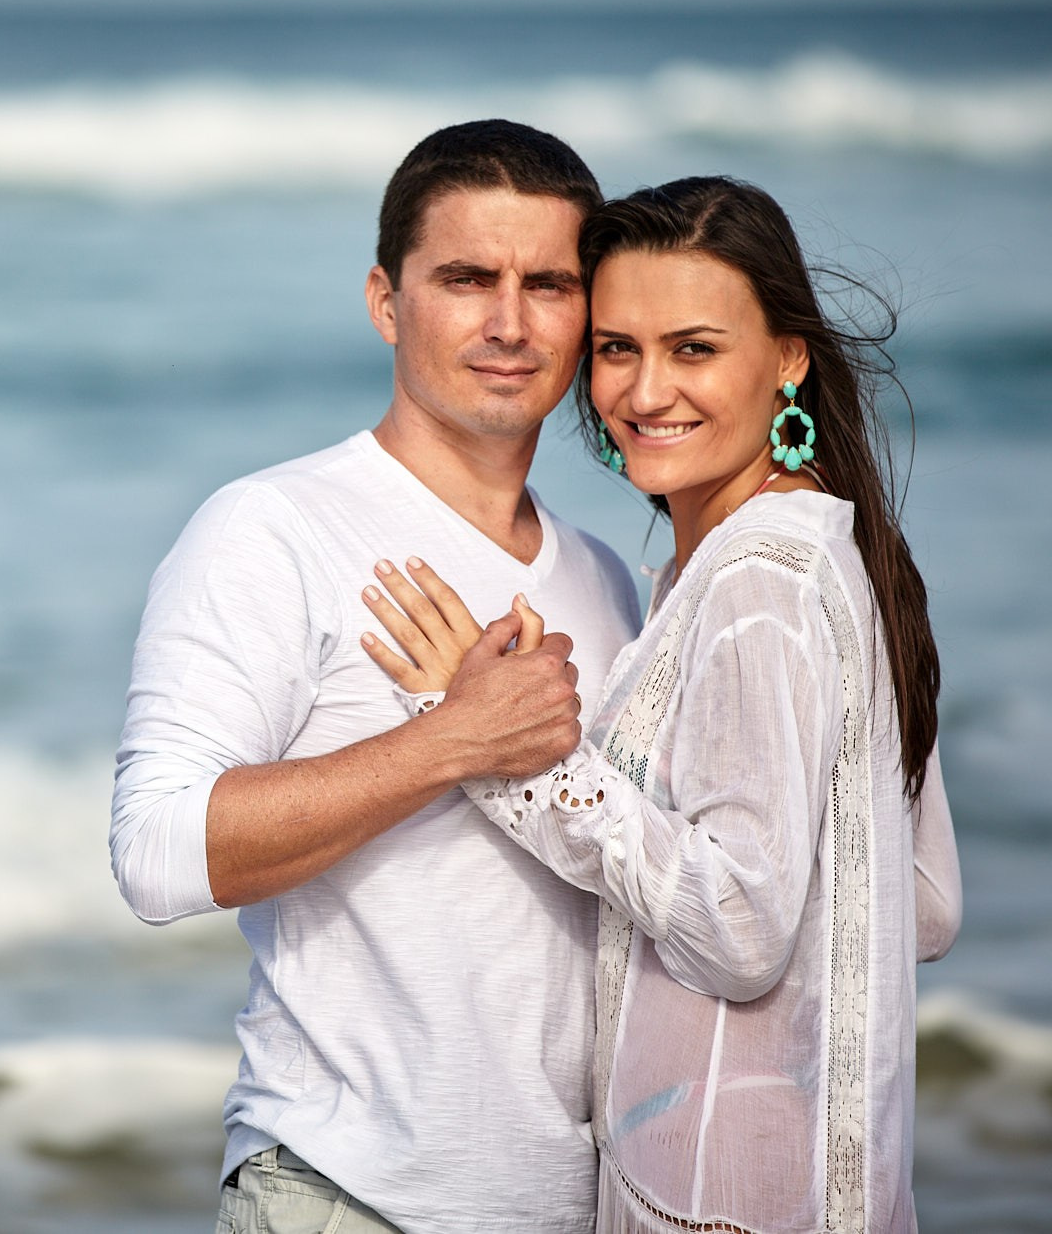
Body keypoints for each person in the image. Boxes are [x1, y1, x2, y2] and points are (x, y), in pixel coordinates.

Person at [361, 176, 963, 1233]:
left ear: (786, 358)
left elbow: (736, 929)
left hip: (712, 1200)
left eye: (692, 349)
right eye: (614, 348)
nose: (643, 392)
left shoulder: (756, 584)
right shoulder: (828, 551)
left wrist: (512, 753)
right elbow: (920, 902)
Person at [112, 120, 642, 1233]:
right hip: (348, 1195)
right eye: (463, 279)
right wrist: (453, 741)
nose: (508, 322)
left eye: (547, 283)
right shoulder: (272, 527)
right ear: (384, 301)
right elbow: (156, 852)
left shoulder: (601, 577)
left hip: (571, 1208)